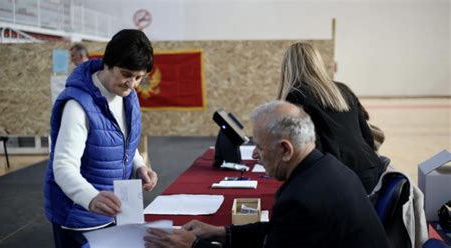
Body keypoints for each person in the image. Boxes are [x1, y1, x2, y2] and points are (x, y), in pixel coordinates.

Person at [144, 101, 390, 248]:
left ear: (285, 149)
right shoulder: (328, 168)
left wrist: (195, 245)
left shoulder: (303, 197)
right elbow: (279, 230)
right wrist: (219, 231)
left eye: (260, 148)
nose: (255, 157)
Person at [44, 29, 158, 248]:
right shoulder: (77, 106)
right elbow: (63, 167)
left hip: (115, 210)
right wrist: (91, 197)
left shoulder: (128, 96)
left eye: (138, 77)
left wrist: (139, 166)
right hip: (80, 216)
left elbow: (124, 140)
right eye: (126, 74)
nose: (132, 84)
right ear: (108, 63)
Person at [276, 42, 382, 194]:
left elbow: (307, 147)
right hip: (371, 171)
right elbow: (367, 137)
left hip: (339, 178)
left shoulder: (296, 96)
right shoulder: (343, 90)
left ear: (287, 67)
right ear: (317, 63)